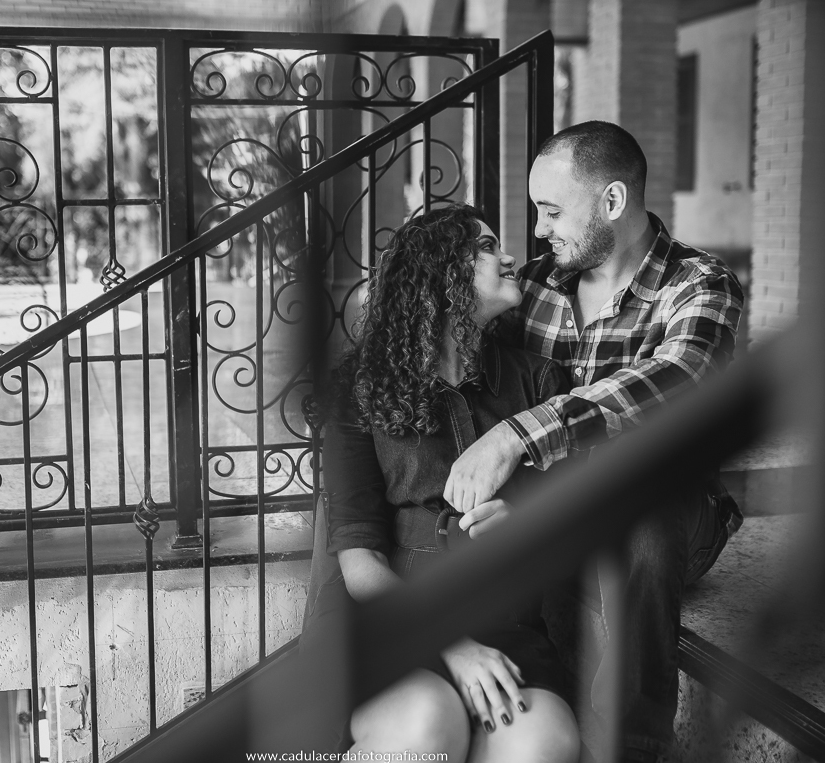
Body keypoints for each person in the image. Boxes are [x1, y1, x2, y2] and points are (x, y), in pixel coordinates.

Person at [437, 121, 745, 763]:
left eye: (552, 211)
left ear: (611, 201)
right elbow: (460, 361)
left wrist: (519, 435)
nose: (539, 229)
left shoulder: (698, 283)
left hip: (671, 522)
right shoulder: (535, 289)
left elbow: (681, 376)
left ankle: (633, 746)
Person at [311, 203, 582, 763]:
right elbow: (360, 561)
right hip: (391, 618)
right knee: (428, 722)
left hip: (504, 621)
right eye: (485, 246)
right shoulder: (360, 388)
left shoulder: (539, 381)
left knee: (543, 744)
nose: (509, 255)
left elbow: (571, 519)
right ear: (438, 272)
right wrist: (455, 650)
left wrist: (525, 521)